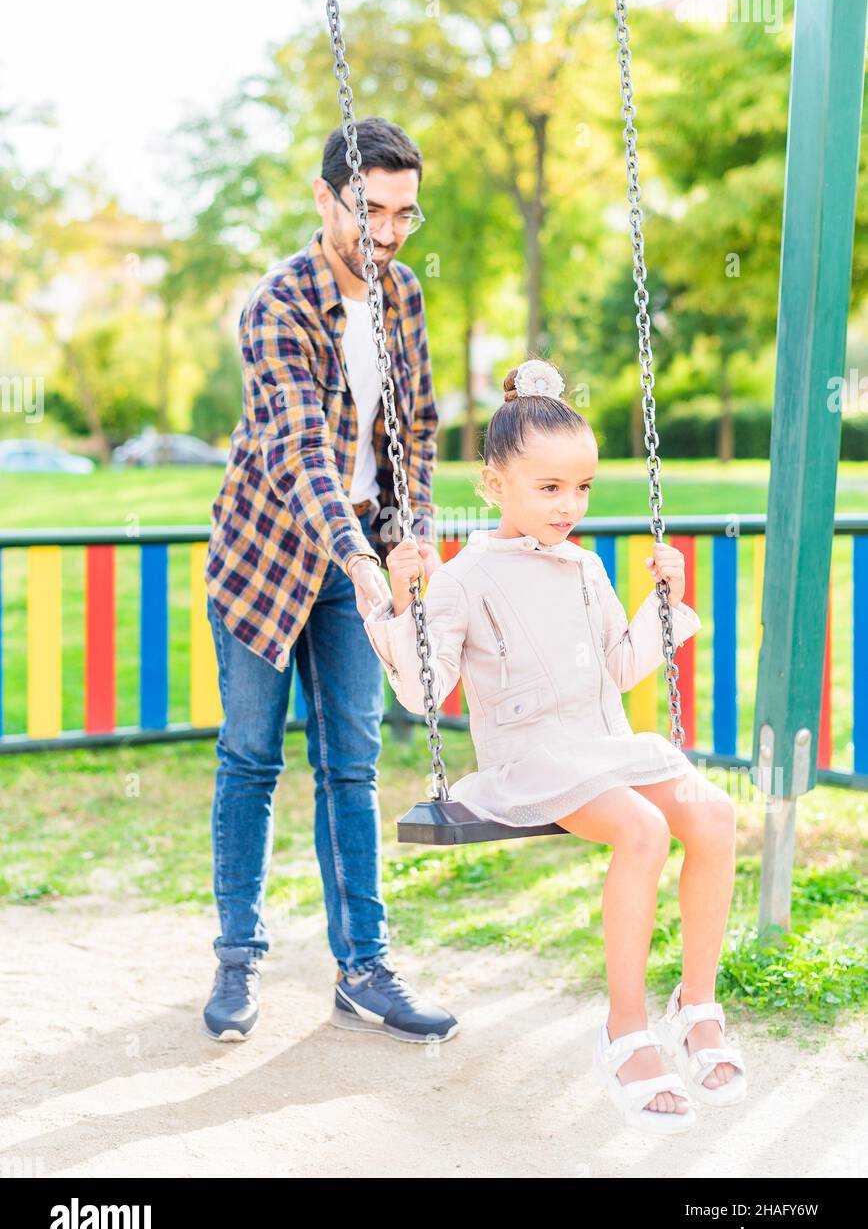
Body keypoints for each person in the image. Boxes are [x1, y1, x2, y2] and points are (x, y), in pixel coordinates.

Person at [363, 357, 747, 1133]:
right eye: (549, 488)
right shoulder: (465, 576)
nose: (569, 506)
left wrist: (663, 604)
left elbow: (618, 670)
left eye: (581, 488)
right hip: (530, 760)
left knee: (713, 816)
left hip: (601, 746)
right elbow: (423, 694)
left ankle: (697, 1008)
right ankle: (626, 1031)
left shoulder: (584, 567)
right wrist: (404, 598)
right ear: (493, 485)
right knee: (642, 830)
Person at [202, 116, 458, 1045]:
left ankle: (363, 967)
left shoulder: (407, 297)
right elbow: (303, 451)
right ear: (326, 199)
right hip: (268, 560)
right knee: (252, 757)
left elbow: (418, 429)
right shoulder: (276, 304)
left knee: (350, 761)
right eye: (369, 209)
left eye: (403, 213)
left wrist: (413, 531)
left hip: (359, 567)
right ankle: (239, 956)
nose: (386, 232)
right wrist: (357, 551)